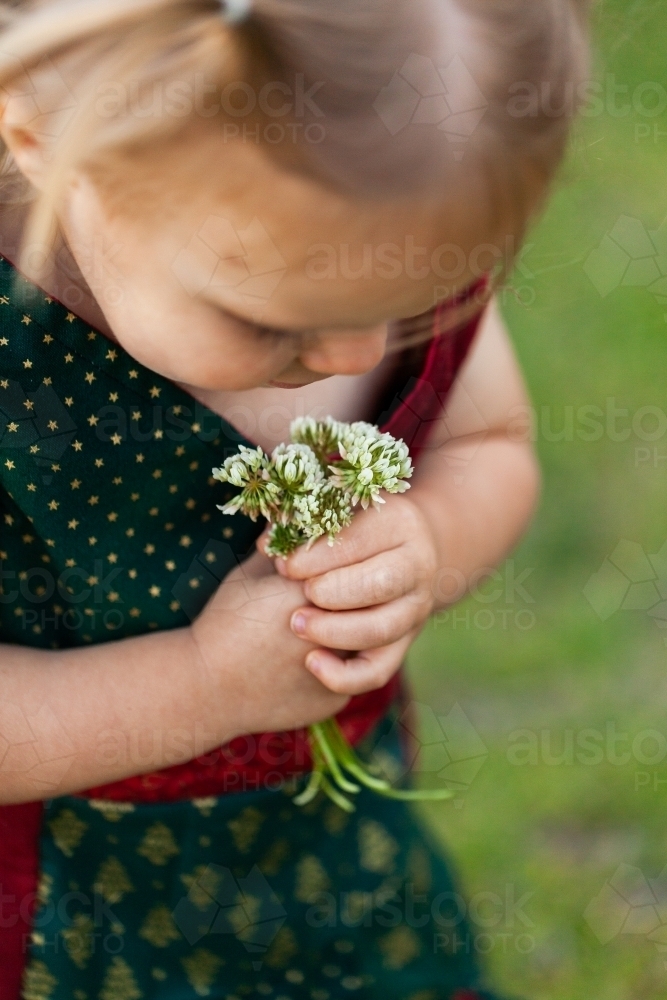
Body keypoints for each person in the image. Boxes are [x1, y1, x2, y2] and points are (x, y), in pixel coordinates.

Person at [0, 0, 588, 996]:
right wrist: (201, 686)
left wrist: (424, 542)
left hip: (340, 877)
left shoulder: (369, 248)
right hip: (66, 921)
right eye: (265, 318)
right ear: (52, 149)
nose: (361, 354)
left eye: (424, 298)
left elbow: (491, 442)